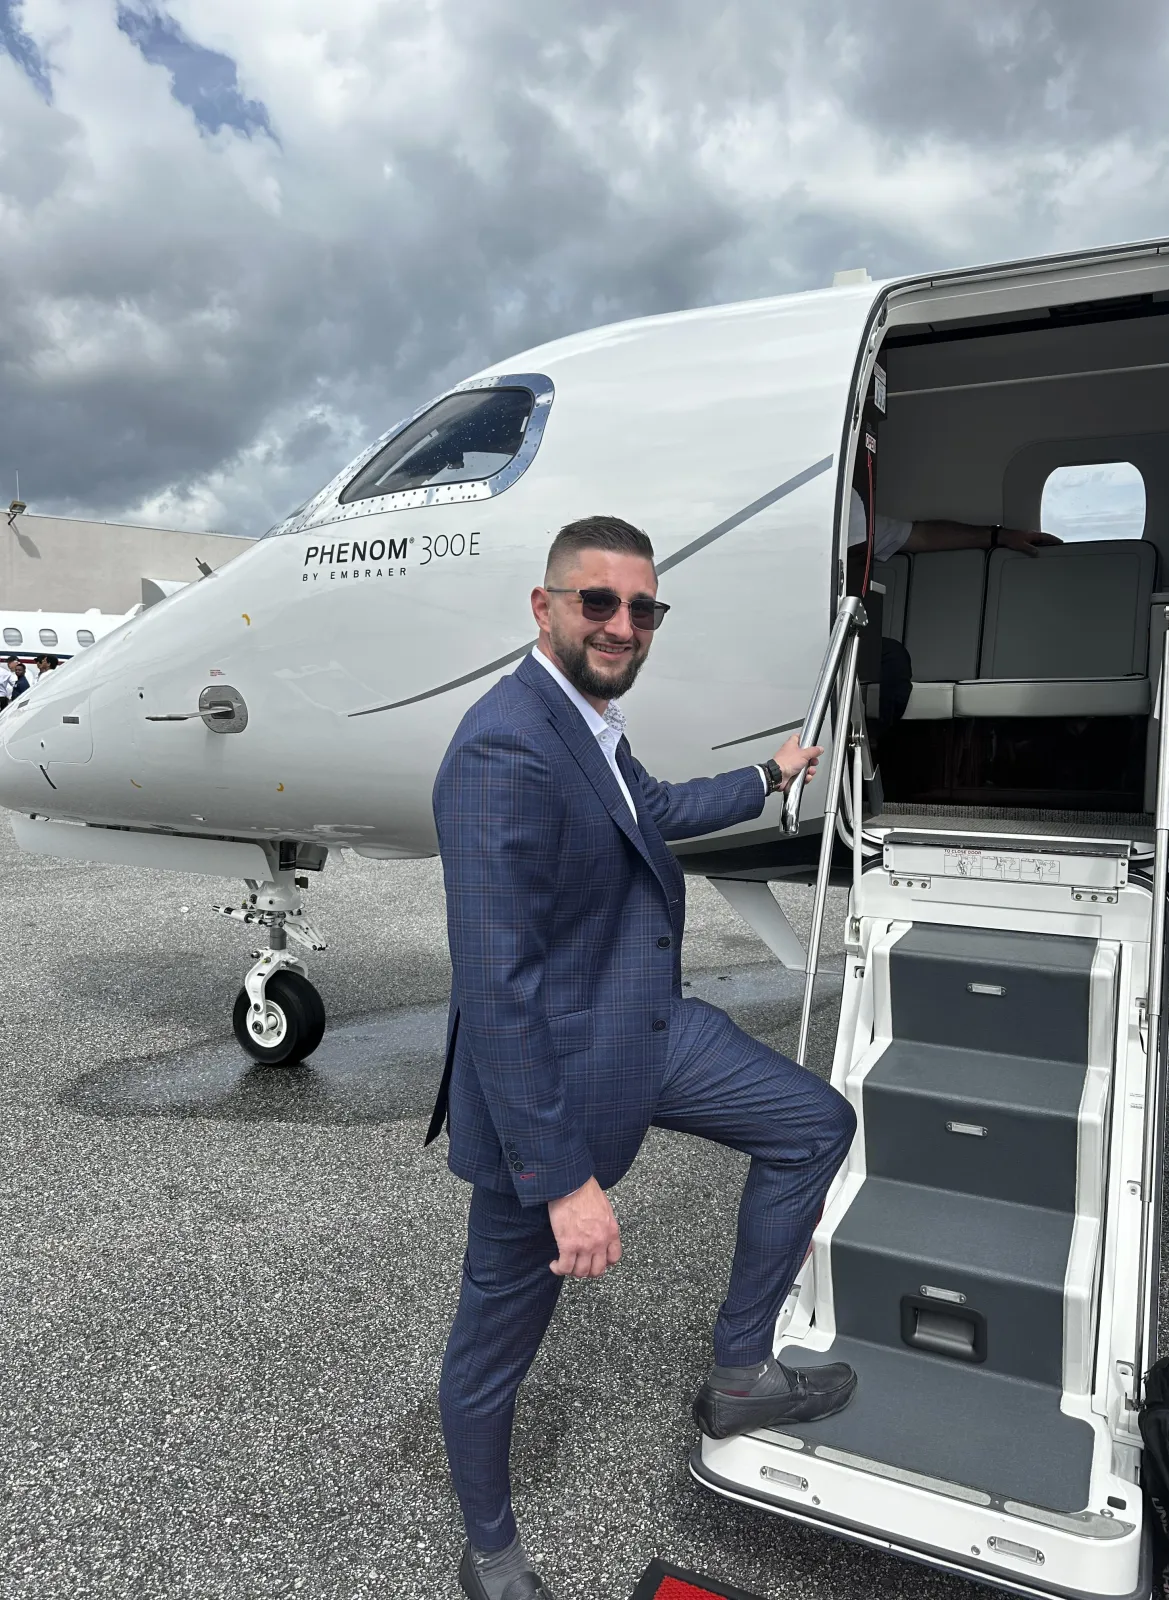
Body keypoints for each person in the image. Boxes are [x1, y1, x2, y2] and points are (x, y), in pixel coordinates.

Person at [430, 515, 857, 1600]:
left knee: (814, 1123)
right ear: (545, 607)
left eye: (643, 607)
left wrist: (769, 773)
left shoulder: (590, 724)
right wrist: (563, 1178)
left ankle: (739, 1373)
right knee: (496, 1342)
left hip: (645, 1028)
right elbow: (496, 986)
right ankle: (489, 1547)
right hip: (551, 1084)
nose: (624, 624)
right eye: (599, 602)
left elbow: (656, 810)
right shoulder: (502, 745)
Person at [848, 489, 1063, 728]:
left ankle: (869, 745)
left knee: (892, 658)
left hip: (844, 636)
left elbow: (922, 536)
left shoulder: (856, 523)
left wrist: (1000, 536)